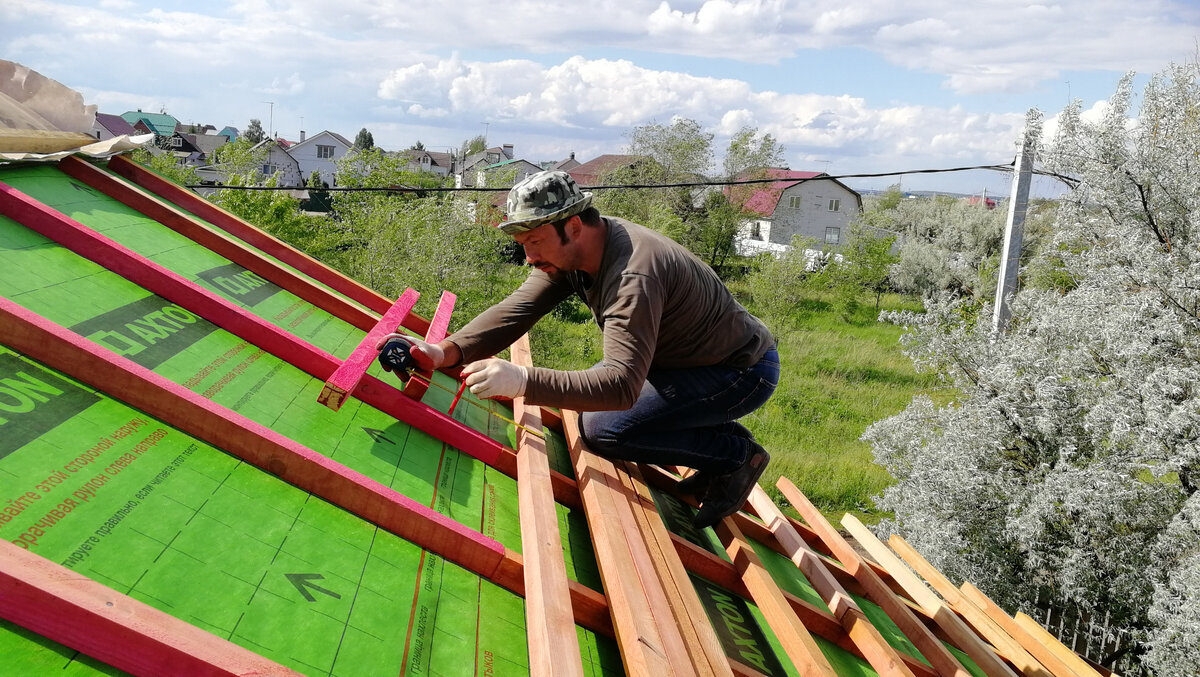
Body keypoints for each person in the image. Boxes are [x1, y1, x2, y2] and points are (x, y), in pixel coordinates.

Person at [378, 170, 779, 528]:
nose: (529, 257)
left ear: (572, 226)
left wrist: (522, 380)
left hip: (739, 372)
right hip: (685, 365)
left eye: (534, 241)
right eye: (523, 243)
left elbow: (620, 386)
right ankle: (714, 443)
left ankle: (736, 456)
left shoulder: (632, 274)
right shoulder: (581, 250)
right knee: (603, 414)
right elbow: (517, 310)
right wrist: (442, 352)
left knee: (605, 428)